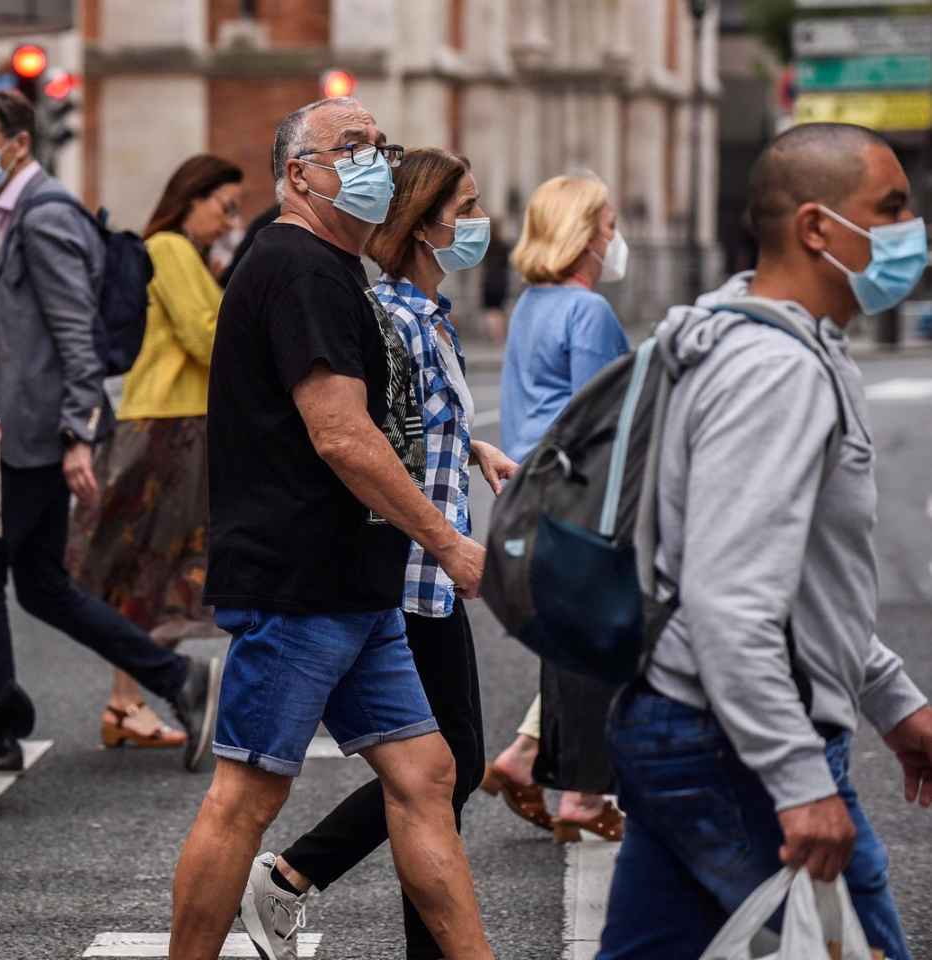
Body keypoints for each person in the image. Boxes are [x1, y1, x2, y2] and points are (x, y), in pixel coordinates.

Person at [168, 97, 492, 960]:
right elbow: (343, 433)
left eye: (378, 145)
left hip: (356, 581)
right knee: (245, 797)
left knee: (427, 775)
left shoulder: (332, 268)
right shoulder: (299, 265)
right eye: (350, 148)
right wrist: (448, 540)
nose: (373, 161)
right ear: (298, 174)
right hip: (299, 581)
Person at [598, 122, 932, 960]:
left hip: (686, 720)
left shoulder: (771, 344)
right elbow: (732, 598)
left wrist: (893, 703)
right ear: (818, 227)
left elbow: (806, 586)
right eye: (890, 208)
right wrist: (798, 781)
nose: (909, 228)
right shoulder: (773, 372)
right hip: (727, 740)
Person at [239, 148, 519, 960]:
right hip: (407, 569)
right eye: (464, 207)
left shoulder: (426, 312)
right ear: (425, 227)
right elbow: (362, 436)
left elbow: (418, 422)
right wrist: (443, 536)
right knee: (440, 771)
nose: (478, 221)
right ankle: (291, 873)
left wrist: (474, 448)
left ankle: (299, 877)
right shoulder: (391, 315)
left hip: (427, 565)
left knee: (439, 772)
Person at [0, 90, 220, 774]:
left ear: (19, 143)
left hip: (35, 435)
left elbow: (76, 334)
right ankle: (174, 677)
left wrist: (78, 432)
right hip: (29, 429)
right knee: (41, 583)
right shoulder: (21, 215)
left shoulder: (42, 218)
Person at [67, 154, 242, 751]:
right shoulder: (168, 248)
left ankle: (129, 701)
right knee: (145, 565)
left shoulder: (184, 254)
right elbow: (208, 334)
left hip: (177, 421)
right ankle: (126, 700)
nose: (229, 221)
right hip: (167, 424)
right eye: (223, 205)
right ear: (191, 199)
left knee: (155, 568)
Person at [483, 172, 632, 842]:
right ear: (582, 234)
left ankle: (528, 755)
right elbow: (601, 422)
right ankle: (584, 789)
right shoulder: (587, 312)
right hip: (576, 493)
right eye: (607, 226)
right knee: (606, 636)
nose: (614, 239)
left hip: (529, 491)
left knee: (571, 636)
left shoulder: (531, 305)